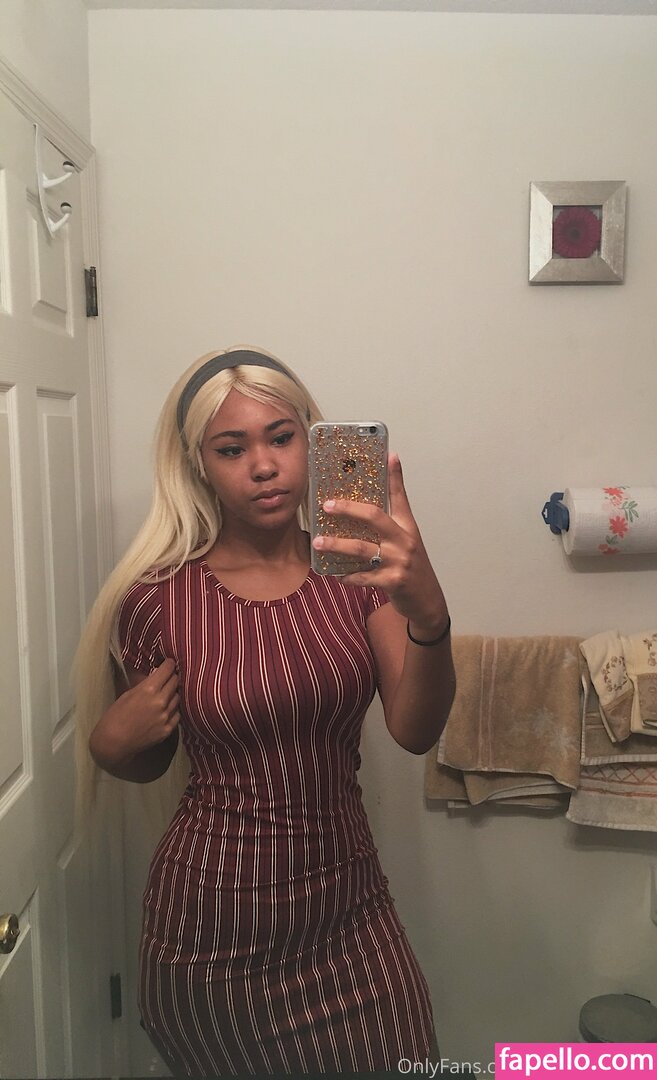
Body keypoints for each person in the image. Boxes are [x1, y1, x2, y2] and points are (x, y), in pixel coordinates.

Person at [75, 346, 455, 1078]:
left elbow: (415, 731)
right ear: (198, 465)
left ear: (311, 442)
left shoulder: (358, 575)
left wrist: (430, 615)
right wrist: (108, 747)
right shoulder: (159, 599)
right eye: (231, 448)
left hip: (350, 914)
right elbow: (149, 758)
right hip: (209, 934)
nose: (262, 465)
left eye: (281, 438)